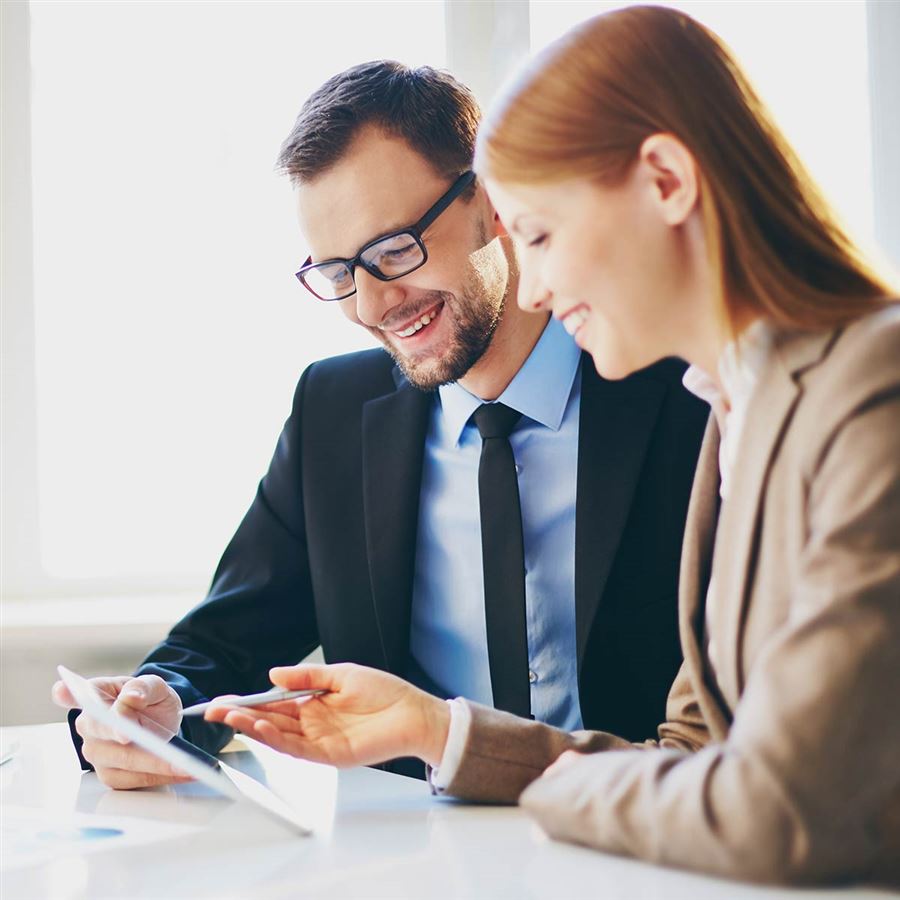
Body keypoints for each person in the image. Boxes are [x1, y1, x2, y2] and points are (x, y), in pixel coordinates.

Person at [207, 8, 900, 886]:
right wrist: (438, 732)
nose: (529, 283)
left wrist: (562, 793)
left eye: (535, 233)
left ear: (665, 180)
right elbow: (691, 753)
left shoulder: (872, 387)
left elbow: (789, 805)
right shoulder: (738, 406)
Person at [51, 60, 707, 788]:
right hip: (419, 864)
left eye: (395, 250)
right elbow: (221, 643)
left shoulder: (683, 389)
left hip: (643, 836)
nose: (371, 305)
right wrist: (152, 710)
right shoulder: (333, 412)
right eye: (337, 273)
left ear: (492, 202)